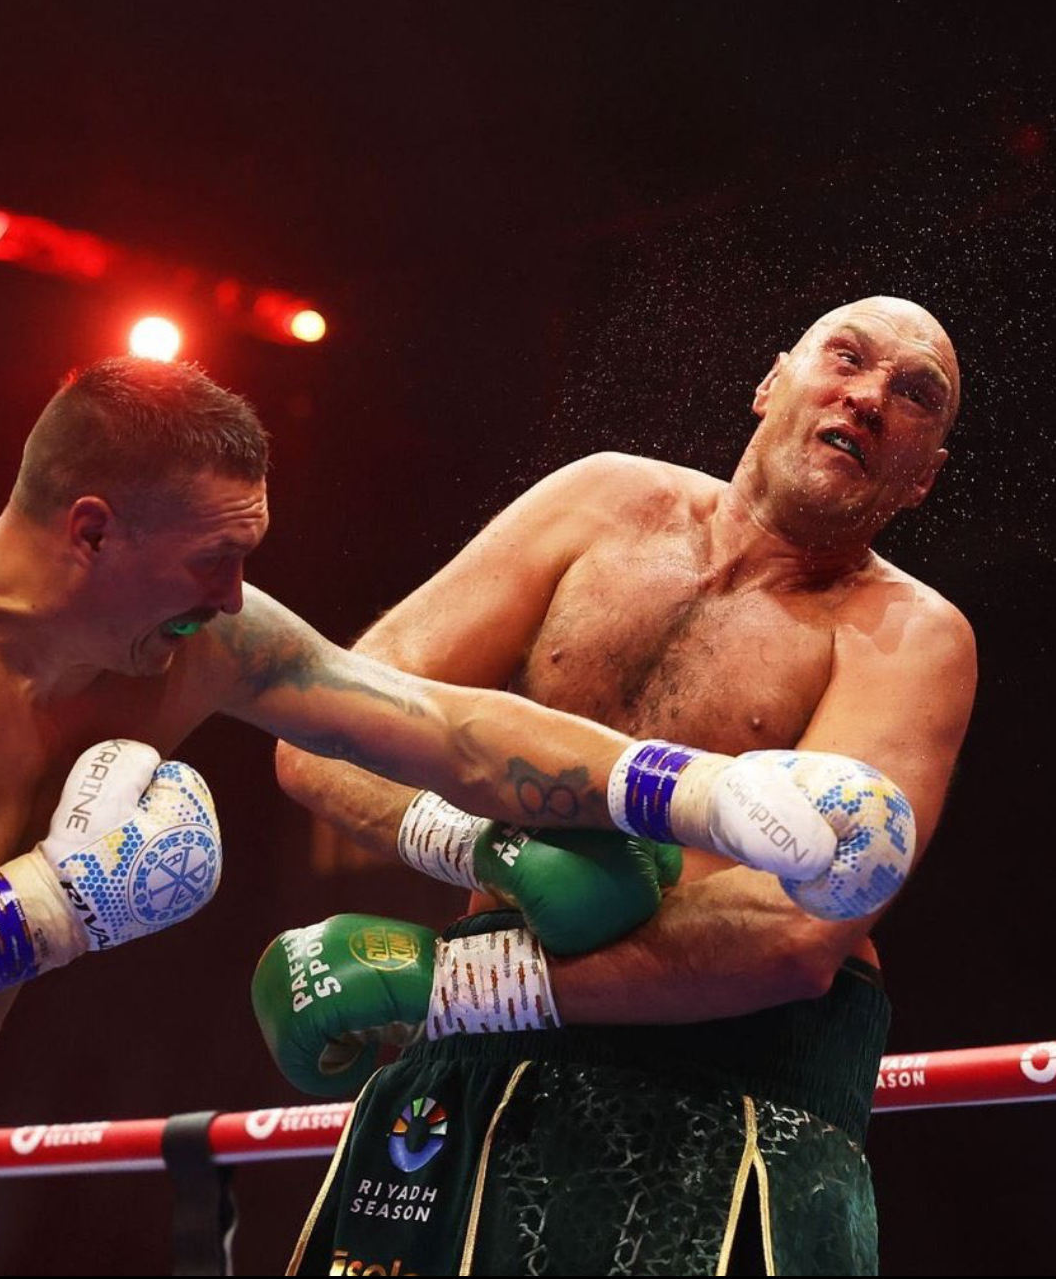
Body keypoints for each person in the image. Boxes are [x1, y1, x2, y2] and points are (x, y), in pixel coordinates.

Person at [0, 355, 873, 1275]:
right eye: (214, 560)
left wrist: (699, 791)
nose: (231, 596)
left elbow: (441, 727)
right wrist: (56, 904)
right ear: (92, 531)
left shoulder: (198, 644)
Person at [261, 296, 977, 1275]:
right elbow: (329, 725)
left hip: (726, 1087)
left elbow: (795, 933)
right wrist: (489, 848)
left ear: (924, 475)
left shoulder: (909, 636)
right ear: (773, 381)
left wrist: (452, 986)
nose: (869, 397)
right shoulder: (599, 503)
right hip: (472, 1067)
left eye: (914, 395)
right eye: (846, 358)